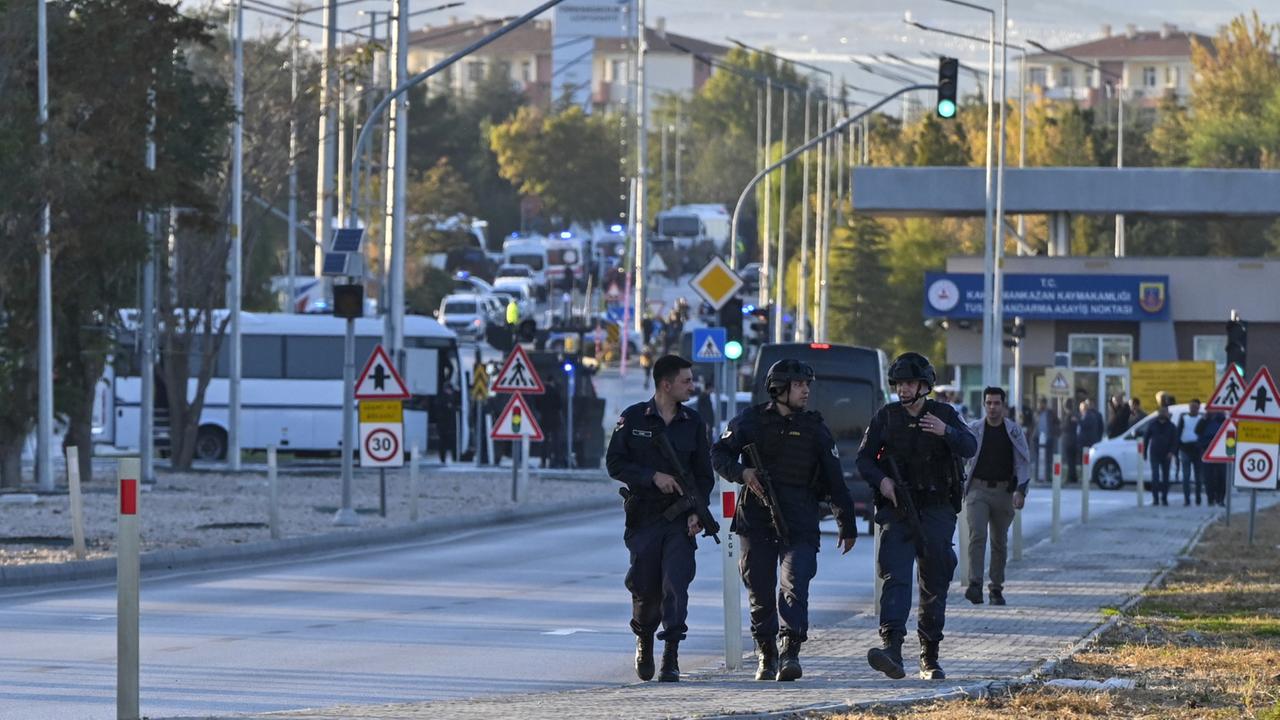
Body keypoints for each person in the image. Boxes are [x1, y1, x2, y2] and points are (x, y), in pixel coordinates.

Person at [711, 359, 858, 682]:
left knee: (795, 584)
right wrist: (743, 472)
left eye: (807, 384)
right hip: (756, 519)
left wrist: (846, 523)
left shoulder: (815, 428)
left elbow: (834, 480)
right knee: (759, 590)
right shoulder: (749, 421)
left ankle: (790, 651)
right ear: (780, 388)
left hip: (800, 519)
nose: (806, 390)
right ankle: (766, 654)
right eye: (799, 385)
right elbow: (719, 453)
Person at [856, 352, 977, 681]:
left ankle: (930, 654)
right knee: (895, 576)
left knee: (935, 580)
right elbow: (864, 459)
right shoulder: (886, 417)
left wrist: (945, 432)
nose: (903, 389)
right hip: (898, 510)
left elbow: (969, 445)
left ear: (924, 386)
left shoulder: (943, 414)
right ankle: (891, 648)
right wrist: (882, 480)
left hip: (936, 510)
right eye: (899, 384)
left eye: (909, 383)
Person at [606, 354, 715, 683]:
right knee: (646, 587)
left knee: (675, 585)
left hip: (680, 519)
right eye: (686, 381)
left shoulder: (693, 423)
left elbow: (703, 475)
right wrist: (651, 475)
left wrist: (698, 511)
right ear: (666, 385)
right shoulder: (634, 418)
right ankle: (644, 639)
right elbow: (615, 463)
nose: (691, 386)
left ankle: (671, 656)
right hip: (644, 517)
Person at [963, 387, 1031, 606]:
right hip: (977, 490)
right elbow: (961, 456)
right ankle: (975, 584)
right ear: (984, 405)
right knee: (978, 534)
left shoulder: (1013, 431)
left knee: (999, 541)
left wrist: (1021, 490)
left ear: (1004, 405)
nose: (992, 408)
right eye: (989, 403)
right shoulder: (974, 429)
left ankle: (996, 588)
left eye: (996, 403)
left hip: (1004, 491)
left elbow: (1023, 461)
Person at [1142, 405, 1179, 506]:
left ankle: (1164, 498)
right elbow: (1146, 439)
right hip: (1155, 453)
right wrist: (1144, 453)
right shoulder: (1152, 424)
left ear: (1167, 413)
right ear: (1158, 412)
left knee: (1166, 477)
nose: (1162, 413)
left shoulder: (1172, 426)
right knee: (1155, 476)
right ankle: (1155, 499)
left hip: (1167, 454)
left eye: (1164, 411)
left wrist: (1172, 452)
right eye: (1161, 411)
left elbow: (1175, 441)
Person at [1176, 399, 1205, 506]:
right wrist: (1177, 448)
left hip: (1197, 450)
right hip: (1185, 449)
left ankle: (1198, 498)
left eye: (1195, 406)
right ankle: (1186, 499)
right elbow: (1178, 433)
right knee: (1186, 476)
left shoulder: (1201, 419)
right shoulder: (1183, 418)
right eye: (1191, 406)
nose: (1193, 408)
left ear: (1198, 408)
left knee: (1198, 477)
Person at [1197, 410, 1228, 507]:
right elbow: (1197, 430)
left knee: (1221, 477)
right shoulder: (1205, 420)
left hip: (1221, 451)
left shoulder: (1223, 420)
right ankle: (1211, 499)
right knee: (1208, 477)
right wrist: (1204, 419)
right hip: (1207, 451)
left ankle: (1220, 499)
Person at [1036, 398, 1059, 484]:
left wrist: (1054, 431)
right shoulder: (1037, 413)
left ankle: (1048, 477)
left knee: (1049, 459)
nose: (1040, 405)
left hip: (1049, 438)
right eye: (1040, 404)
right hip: (1038, 439)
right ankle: (1039, 477)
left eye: (1042, 404)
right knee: (1039, 459)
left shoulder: (1050, 413)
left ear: (1045, 404)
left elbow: (1057, 422)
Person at [1059, 403, 1080, 485]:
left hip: (1069, 441)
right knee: (1073, 460)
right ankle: (1074, 477)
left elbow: (1065, 427)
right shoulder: (1076, 415)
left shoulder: (1068, 416)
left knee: (1070, 460)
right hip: (1074, 440)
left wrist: (1061, 426)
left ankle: (1070, 477)